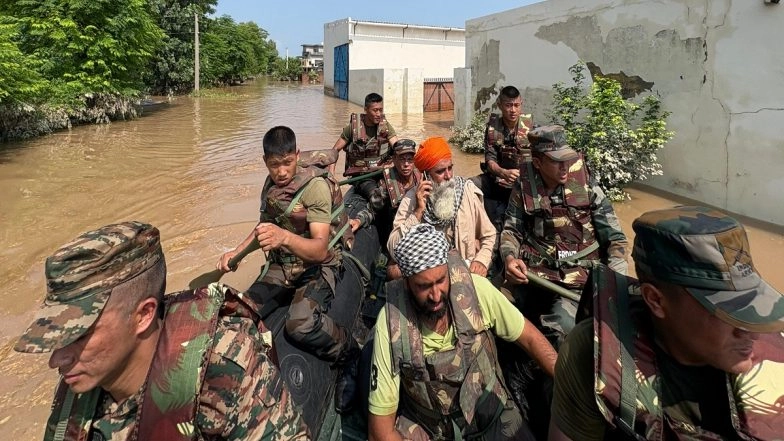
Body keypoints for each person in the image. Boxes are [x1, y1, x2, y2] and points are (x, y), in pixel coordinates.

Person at [14, 221, 309, 440]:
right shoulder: (78, 388)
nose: (56, 360)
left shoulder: (224, 371)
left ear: (144, 315)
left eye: (79, 335)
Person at [549, 206, 784, 441]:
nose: (752, 332)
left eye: (751, 304)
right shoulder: (593, 353)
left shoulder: (775, 349)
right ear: (656, 300)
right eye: (728, 310)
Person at [368, 224, 558, 441]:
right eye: (424, 286)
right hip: (429, 427)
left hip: (491, 413)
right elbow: (380, 432)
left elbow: (530, 339)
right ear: (407, 283)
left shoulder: (476, 290)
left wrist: (569, 385)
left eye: (441, 280)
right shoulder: (391, 322)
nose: (436, 295)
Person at [218, 126, 358, 365]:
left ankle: (350, 352)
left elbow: (320, 250)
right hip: (285, 263)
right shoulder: (270, 186)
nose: (281, 172)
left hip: (319, 265)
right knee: (238, 311)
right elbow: (264, 226)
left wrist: (284, 238)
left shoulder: (315, 187)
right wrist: (237, 253)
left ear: (297, 155)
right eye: (274, 165)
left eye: (287, 163)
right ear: (265, 161)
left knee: (300, 326)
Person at [500, 124, 628, 343]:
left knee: (562, 329)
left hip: (577, 280)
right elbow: (511, 230)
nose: (564, 167)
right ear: (538, 163)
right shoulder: (524, 186)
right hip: (533, 274)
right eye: (556, 161)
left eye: (567, 159)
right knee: (494, 307)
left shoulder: (585, 186)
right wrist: (509, 259)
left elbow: (616, 240)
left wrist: (614, 284)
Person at [387, 136, 496, 280]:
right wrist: (418, 212)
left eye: (450, 168)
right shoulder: (411, 199)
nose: (448, 176)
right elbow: (394, 249)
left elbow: (489, 235)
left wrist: (481, 261)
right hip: (430, 279)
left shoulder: (466, 191)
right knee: (393, 271)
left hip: (464, 272)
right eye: (440, 171)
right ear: (426, 176)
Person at [471, 85, 532, 230]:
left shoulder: (530, 129)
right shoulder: (492, 128)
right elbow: (490, 159)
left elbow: (539, 161)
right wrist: (502, 172)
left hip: (522, 182)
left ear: (521, 104)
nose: (513, 110)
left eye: (516, 105)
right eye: (508, 105)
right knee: (469, 185)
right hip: (498, 179)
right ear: (500, 105)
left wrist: (522, 175)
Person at [350, 138, 422, 254]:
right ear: (394, 160)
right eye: (402, 159)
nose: (406, 164)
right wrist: (358, 220)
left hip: (419, 227)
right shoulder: (387, 185)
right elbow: (373, 209)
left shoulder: (421, 178)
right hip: (398, 231)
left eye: (410, 159)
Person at [332, 92, 400, 203]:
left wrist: (397, 162)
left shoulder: (385, 126)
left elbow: (397, 146)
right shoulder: (353, 129)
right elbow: (334, 151)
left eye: (381, 110)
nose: (378, 114)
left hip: (381, 171)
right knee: (376, 197)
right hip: (362, 175)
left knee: (394, 195)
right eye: (375, 110)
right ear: (366, 109)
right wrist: (331, 176)